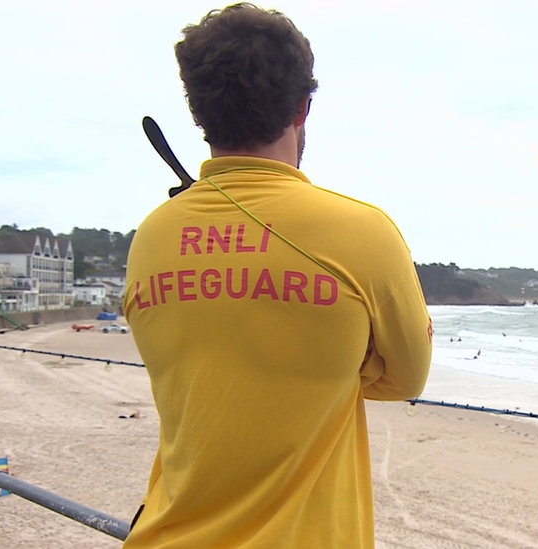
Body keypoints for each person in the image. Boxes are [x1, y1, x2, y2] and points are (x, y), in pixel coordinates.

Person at [122, 5, 432, 548]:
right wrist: (336, 361)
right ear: (302, 107)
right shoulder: (364, 232)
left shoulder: (151, 237)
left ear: (199, 116)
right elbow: (406, 381)